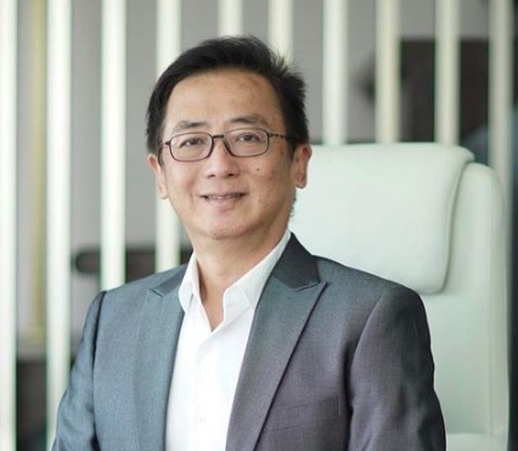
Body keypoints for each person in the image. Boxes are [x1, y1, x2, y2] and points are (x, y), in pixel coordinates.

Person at [53, 35, 445, 450]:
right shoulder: (113, 321)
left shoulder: (368, 318)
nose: (219, 166)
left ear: (298, 163)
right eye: (191, 142)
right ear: (160, 175)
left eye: (247, 137)